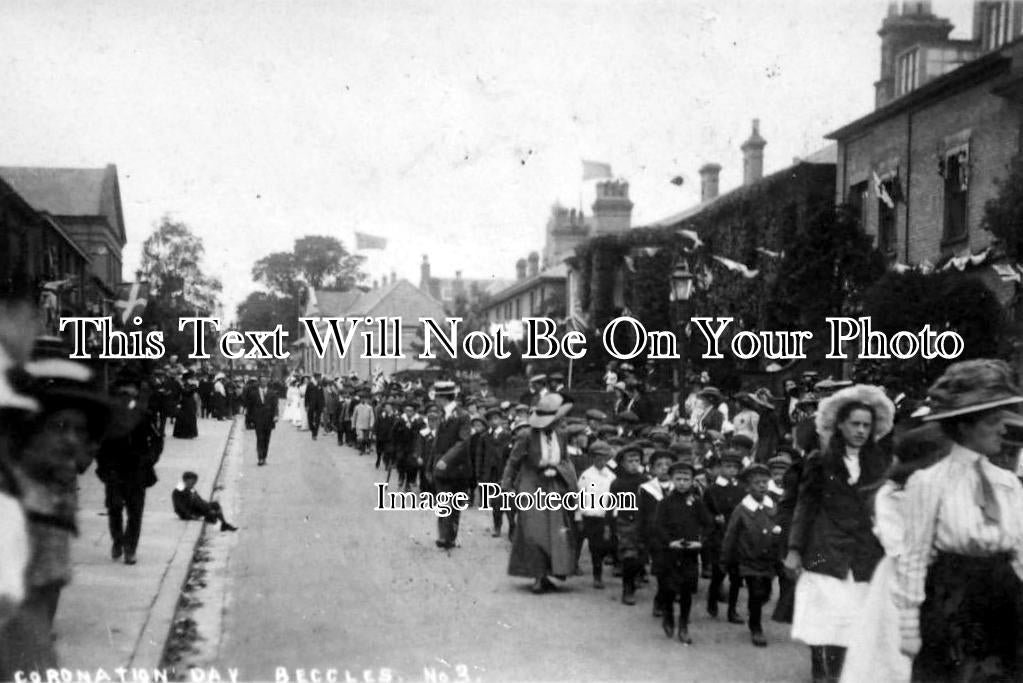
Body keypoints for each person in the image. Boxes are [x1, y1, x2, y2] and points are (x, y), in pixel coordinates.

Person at [893, 360, 1023, 681]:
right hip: (953, 600)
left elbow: (1020, 549)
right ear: (965, 426)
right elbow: (913, 558)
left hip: (1005, 599)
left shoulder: (1006, 483)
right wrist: (908, 626)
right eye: (993, 421)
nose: (1003, 429)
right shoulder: (929, 482)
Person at [0, 349, 110, 677]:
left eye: (80, 430)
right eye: (60, 427)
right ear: (31, 431)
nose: (71, 440)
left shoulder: (52, 488)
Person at [785, 384, 893, 683]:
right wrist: (795, 550)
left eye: (866, 425)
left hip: (863, 551)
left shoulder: (880, 464)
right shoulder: (821, 461)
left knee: (856, 619)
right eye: (854, 424)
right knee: (825, 615)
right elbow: (805, 506)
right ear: (840, 425)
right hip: (825, 547)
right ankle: (824, 672)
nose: (860, 430)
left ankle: (842, 673)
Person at [840, 423, 944, 683]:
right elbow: (898, 544)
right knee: (893, 651)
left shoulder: (941, 489)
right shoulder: (891, 494)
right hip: (902, 577)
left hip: (938, 575)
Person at [501, 392, 577, 593]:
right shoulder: (526, 435)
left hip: (554, 485)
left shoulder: (561, 434)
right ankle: (537, 575)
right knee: (534, 531)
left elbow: (566, 459)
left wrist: (562, 473)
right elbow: (513, 461)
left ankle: (549, 573)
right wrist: (506, 484)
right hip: (532, 483)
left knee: (555, 530)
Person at [95, 368, 162, 566]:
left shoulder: (144, 413)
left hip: (136, 469)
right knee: (115, 507)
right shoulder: (107, 413)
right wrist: (103, 464)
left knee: (134, 511)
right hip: (114, 468)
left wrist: (149, 459)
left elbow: (157, 439)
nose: (127, 392)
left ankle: (130, 548)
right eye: (124, 389)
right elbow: (98, 441)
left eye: (130, 389)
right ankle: (118, 540)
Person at [722, 463, 781, 647]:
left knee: (766, 593)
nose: (762, 486)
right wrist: (725, 559)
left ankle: (754, 609)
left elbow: (781, 529)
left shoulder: (773, 507)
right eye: (757, 483)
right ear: (748, 487)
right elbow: (731, 535)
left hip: (769, 560)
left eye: (765, 482)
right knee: (755, 592)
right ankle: (756, 627)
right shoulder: (741, 509)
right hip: (748, 560)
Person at [654, 461, 713, 644]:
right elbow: (658, 526)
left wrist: (699, 542)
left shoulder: (696, 502)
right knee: (669, 590)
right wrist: (670, 542)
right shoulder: (665, 503)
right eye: (678, 479)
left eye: (686, 479)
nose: (682, 483)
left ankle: (684, 625)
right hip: (670, 553)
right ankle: (669, 616)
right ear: (672, 480)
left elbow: (709, 525)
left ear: (692, 481)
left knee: (687, 591)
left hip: (689, 554)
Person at [704, 448, 745, 622]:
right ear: (720, 467)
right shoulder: (711, 490)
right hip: (719, 536)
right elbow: (704, 512)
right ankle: (712, 599)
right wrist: (714, 518)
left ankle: (732, 610)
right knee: (719, 573)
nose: (731, 471)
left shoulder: (741, 489)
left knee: (737, 576)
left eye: (735, 467)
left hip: (737, 537)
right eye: (727, 466)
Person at [431, 381, 471, 549]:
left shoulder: (462, 416)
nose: (435, 400)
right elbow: (436, 443)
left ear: (443, 397)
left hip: (456, 468)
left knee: (453, 504)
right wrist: (430, 465)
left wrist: (445, 460)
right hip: (440, 467)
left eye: (437, 397)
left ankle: (450, 537)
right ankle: (443, 536)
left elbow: (463, 442)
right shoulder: (442, 414)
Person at [610, 444, 649, 605]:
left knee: (641, 555)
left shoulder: (645, 481)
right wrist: (610, 526)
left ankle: (637, 576)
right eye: (630, 461)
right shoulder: (617, 483)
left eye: (637, 460)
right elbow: (611, 506)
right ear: (623, 463)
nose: (634, 464)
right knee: (629, 556)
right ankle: (628, 589)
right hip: (625, 522)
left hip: (644, 523)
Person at [638, 449, 674, 618]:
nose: (664, 468)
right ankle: (660, 599)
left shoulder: (680, 486)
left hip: (675, 534)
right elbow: (641, 514)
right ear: (652, 469)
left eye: (668, 465)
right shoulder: (646, 489)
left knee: (674, 569)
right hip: (655, 536)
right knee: (661, 569)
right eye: (659, 465)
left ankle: (667, 597)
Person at [576, 440, 616, 589]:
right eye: (597, 458)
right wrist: (579, 517)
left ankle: (603, 564)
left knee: (608, 544)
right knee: (595, 548)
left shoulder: (611, 476)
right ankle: (597, 576)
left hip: (606, 516)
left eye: (604, 458)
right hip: (591, 516)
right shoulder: (586, 475)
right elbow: (580, 497)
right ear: (592, 458)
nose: (601, 461)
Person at [172, 471, 237, 531]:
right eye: (192, 483)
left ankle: (223, 524)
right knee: (213, 514)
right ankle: (219, 521)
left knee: (215, 504)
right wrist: (191, 516)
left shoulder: (190, 489)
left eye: (194, 483)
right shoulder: (178, 491)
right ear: (185, 481)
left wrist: (207, 505)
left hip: (196, 508)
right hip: (189, 512)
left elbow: (199, 499)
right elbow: (181, 507)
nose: (193, 485)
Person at [248, 375, 278, 466]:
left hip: (269, 419)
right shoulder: (254, 393)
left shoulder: (272, 393)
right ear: (259, 382)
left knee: (266, 439)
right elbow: (250, 407)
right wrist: (250, 420)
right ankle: (260, 457)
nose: (264, 383)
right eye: (262, 381)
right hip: (258, 419)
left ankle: (264, 457)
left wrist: (276, 416)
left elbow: (275, 406)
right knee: (259, 438)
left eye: (265, 381)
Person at [173, 371, 199, 439]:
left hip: (188, 403)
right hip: (186, 403)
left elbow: (190, 392)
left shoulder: (190, 385)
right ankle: (186, 433)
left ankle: (187, 433)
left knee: (188, 417)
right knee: (186, 418)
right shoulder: (184, 385)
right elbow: (184, 392)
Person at [305, 373, 325, 441]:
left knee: (317, 419)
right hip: (311, 404)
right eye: (319, 377)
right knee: (310, 419)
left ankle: (315, 434)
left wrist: (323, 405)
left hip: (319, 404)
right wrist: (306, 404)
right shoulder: (310, 384)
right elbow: (306, 395)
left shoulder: (320, 385)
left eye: (320, 377)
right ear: (316, 377)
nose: (319, 378)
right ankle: (312, 428)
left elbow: (322, 395)